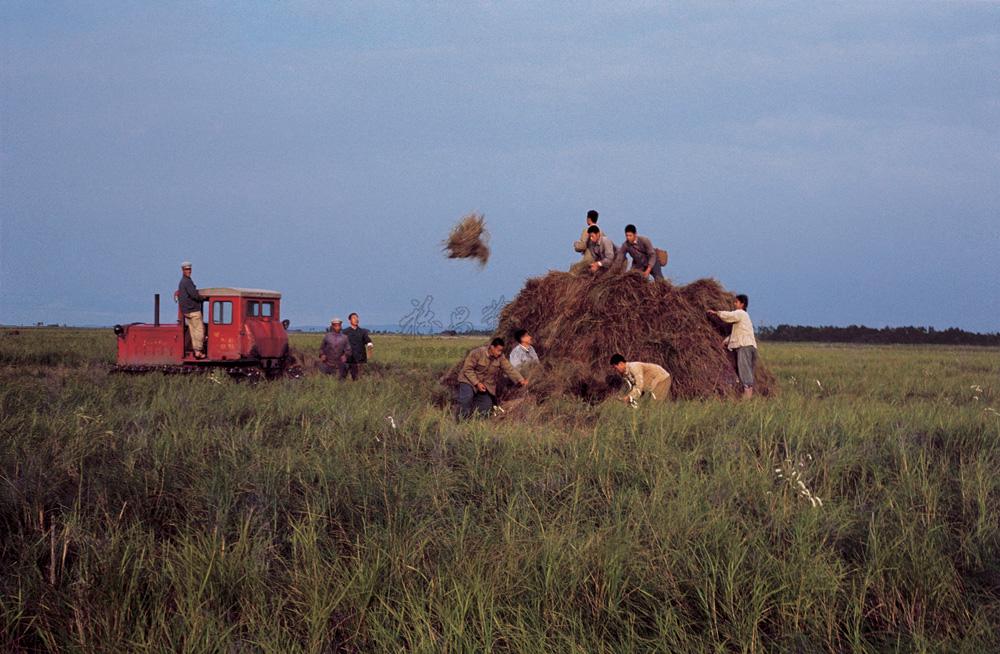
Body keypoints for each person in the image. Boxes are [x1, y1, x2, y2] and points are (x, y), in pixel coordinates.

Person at [457, 337, 528, 418]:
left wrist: (521, 379)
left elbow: (509, 369)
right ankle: (462, 420)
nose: (500, 353)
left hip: (485, 385)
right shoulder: (477, 353)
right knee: (467, 398)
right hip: (468, 380)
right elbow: (467, 369)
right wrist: (477, 383)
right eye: (498, 350)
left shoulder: (501, 357)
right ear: (492, 347)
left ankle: (475, 421)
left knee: (486, 406)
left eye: (501, 351)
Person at [707, 294, 758, 399]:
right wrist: (725, 342)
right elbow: (735, 334)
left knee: (744, 371)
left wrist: (716, 313)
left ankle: (747, 399)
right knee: (746, 370)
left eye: (736, 302)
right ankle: (747, 396)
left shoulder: (740, 313)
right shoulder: (744, 318)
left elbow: (729, 316)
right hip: (750, 346)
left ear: (742, 304)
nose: (735, 304)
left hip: (744, 347)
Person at [177, 261, 207, 359]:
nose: (188, 271)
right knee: (199, 330)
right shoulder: (187, 282)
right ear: (183, 270)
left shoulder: (182, 282)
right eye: (186, 269)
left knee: (193, 331)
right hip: (193, 310)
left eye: (189, 269)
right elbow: (193, 294)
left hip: (186, 311)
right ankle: (198, 351)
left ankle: (196, 350)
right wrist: (202, 298)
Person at [343, 312, 373, 381]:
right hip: (348, 359)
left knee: (358, 378)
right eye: (354, 318)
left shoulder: (363, 332)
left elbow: (368, 342)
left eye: (357, 318)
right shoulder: (345, 332)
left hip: (360, 359)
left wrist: (370, 348)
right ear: (350, 320)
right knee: (344, 378)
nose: (356, 320)